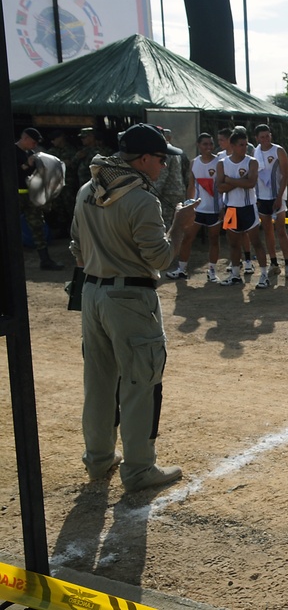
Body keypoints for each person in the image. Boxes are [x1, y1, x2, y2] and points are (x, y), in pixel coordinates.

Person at [69, 123, 192, 491]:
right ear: (142, 159)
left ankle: (99, 459)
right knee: (141, 381)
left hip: (91, 293)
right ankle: (139, 469)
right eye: (159, 159)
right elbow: (161, 258)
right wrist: (181, 226)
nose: (164, 166)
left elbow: (76, 249)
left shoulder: (88, 190)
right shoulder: (141, 199)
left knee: (99, 381)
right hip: (130, 298)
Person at [165, 133, 224, 282]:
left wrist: (223, 207)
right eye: (205, 144)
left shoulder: (219, 162)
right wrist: (188, 204)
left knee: (214, 239)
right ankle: (181, 269)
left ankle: (212, 271)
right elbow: (191, 185)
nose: (209, 147)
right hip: (198, 209)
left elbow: (223, 186)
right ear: (199, 145)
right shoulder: (194, 162)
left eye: (211, 144)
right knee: (187, 238)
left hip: (215, 209)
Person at [216, 128, 269, 288]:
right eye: (241, 145)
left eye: (246, 144)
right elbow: (220, 188)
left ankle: (264, 275)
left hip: (248, 208)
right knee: (233, 244)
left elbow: (251, 183)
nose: (244, 148)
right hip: (231, 208)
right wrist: (241, 181)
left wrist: (229, 180)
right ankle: (235, 274)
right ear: (232, 145)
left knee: (256, 242)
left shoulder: (251, 161)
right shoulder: (222, 163)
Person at [15, 127, 64, 270]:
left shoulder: (31, 153)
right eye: (33, 142)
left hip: (30, 196)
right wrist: (26, 165)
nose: (35, 145)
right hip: (14, 196)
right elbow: (11, 171)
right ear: (25, 138)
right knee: (10, 228)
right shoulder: (10, 151)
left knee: (38, 227)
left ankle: (45, 260)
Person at [253, 124, 288, 277]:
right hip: (262, 197)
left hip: (277, 196)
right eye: (262, 137)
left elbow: (285, 175)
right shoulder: (255, 152)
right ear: (257, 138)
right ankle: (274, 262)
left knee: (281, 230)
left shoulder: (278, 150)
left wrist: (279, 196)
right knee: (268, 231)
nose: (265, 139)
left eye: (267, 136)